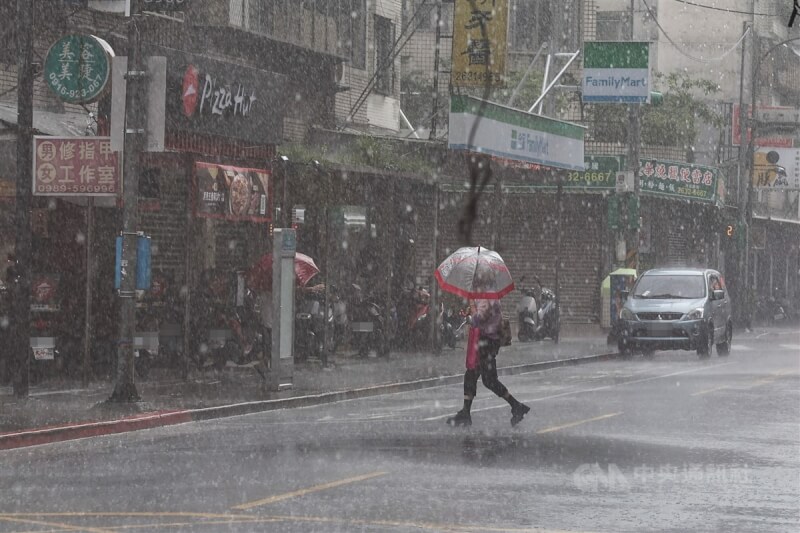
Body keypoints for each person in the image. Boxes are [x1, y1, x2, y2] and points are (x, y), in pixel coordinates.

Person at [446, 294, 530, 428]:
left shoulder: (488, 296)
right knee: (472, 375)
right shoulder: (488, 296)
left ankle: (516, 406)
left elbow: (479, 318)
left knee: (488, 380)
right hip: (488, 341)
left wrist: (470, 317)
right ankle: (466, 413)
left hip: (487, 342)